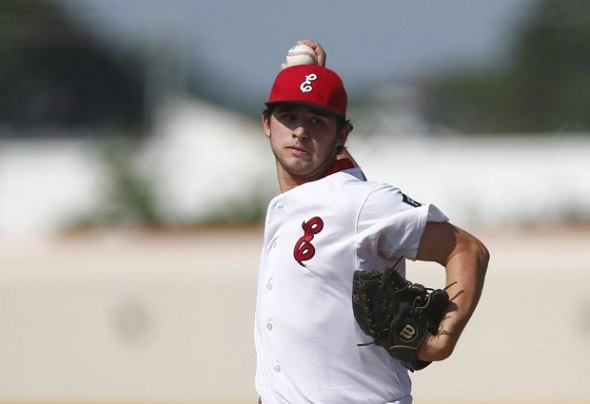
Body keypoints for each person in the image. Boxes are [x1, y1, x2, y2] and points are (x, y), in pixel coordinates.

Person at [254, 39, 489, 404]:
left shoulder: (363, 202)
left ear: (342, 135)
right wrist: (310, 80)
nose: (300, 131)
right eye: (289, 117)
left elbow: (467, 250)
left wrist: (443, 339)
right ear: (267, 123)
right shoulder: (291, 205)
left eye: (317, 121)